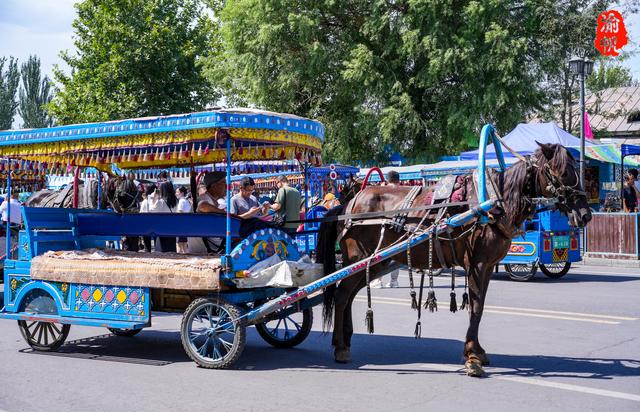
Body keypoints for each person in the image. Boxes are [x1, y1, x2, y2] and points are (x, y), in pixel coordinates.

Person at [372, 170, 402, 288]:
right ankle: (394, 281)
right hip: (400, 226)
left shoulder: (384, 190)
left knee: (379, 254)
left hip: (385, 225)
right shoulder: (403, 191)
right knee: (398, 254)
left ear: (388, 179)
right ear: (398, 180)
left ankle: (378, 280)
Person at [175, 186, 192, 253]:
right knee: (184, 243)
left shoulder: (181, 201)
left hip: (180, 224)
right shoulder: (186, 200)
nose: (176, 193)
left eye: (177, 192)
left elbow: (180, 212)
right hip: (185, 223)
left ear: (182, 193)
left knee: (179, 243)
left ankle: (180, 256)